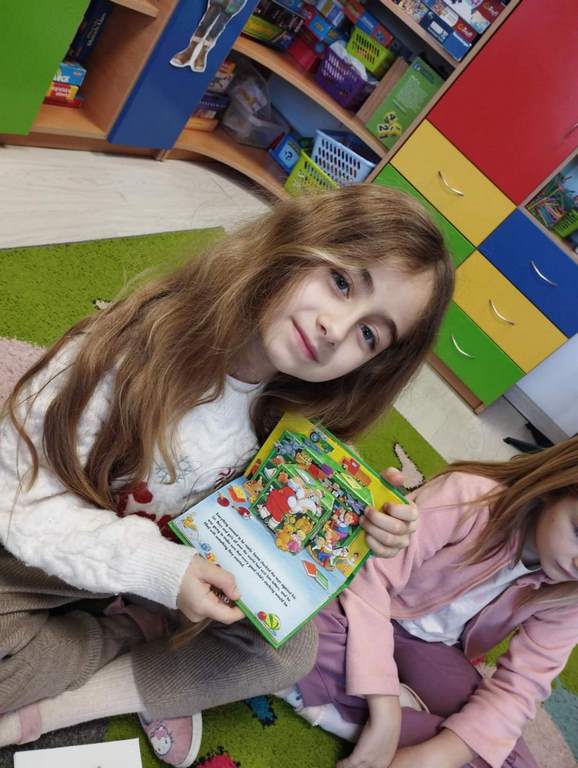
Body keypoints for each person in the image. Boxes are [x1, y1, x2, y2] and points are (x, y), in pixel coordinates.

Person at [0, 184, 453, 766]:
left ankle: (72, 693)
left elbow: (261, 544)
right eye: (342, 282)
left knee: (289, 651)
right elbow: (19, 496)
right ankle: (133, 634)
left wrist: (354, 529)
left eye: (370, 334)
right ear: (294, 244)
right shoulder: (131, 348)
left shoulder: (291, 422)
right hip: (37, 548)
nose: (336, 329)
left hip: (149, 574)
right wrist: (162, 574)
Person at [285, 439, 578, 768]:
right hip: (357, 614)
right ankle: (369, 718)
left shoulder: (571, 593)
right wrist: (386, 708)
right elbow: (369, 581)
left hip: (435, 651)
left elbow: (519, 690)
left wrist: (430, 758)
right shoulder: (468, 496)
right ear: (552, 487)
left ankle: (350, 710)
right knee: (298, 626)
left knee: (504, 750)